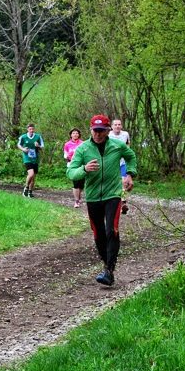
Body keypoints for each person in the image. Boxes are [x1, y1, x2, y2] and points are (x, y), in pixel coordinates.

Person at [67, 114, 137, 287]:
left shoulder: (117, 145)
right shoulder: (83, 149)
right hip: (92, 197)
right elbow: (71, 172)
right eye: (95, 130)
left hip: (112, 194)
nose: (97, 134)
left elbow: (131, 156)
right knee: (98, 233)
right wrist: (84, 169)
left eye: (101, 131)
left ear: (107, 131)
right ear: (90, 130)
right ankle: (107, 266)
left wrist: (130, 174)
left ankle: (109, 270)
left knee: (111, 230)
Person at [108, 119, 131, 214]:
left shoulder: (125, 134)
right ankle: (111, 202)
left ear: (121, 126)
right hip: (111, 163)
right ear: (112, 126)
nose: (117, 126)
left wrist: (127, 154)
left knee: (124, 182)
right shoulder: (108, 135)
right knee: (112, 182)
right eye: (115, 124)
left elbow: (128, 144)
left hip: (123, 162)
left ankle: (123, 203)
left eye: (119, 124)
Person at [17, 123, 44, 198]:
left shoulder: (38, 136)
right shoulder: (23, 137)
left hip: (35, 159)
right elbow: (18, 145)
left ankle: (30, 192)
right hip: (27, 158)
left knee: (33, 177)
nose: (31, 130)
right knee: (31, 174)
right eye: (30, 129)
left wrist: (38, 146)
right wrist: (23, 149)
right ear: (27, 129)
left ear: (34, 129)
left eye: (32, 129)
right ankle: (26, 188)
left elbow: (42, 147)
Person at [63, 128, 85, 208]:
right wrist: (70, 158)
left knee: (81, 184)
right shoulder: (67, 144)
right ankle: (76, 201)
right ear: (71, 135)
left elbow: (85, 153)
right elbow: (65, 155)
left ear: (79, 134)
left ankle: (78, 198)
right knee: (75, 183)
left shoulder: (83, 143)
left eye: (76, 133)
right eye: (73, 133)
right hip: (72, 166)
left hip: (82, 165)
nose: (75, 134)